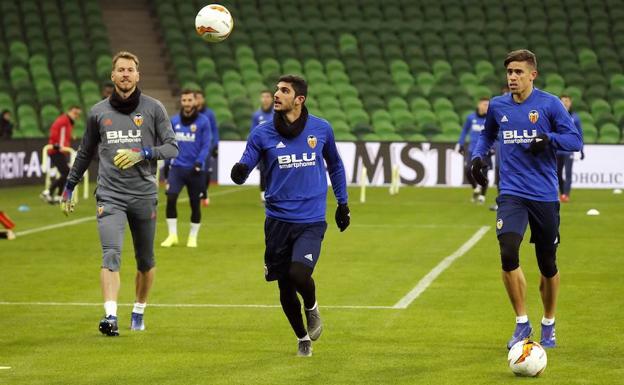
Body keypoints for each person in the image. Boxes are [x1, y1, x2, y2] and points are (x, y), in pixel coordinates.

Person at [231, 75, 350, 357]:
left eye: (284, 90)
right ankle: (301, 337)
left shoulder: (321, 129)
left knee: (299, 273)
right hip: (277, 222)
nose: (276, 94)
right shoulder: (261, 133)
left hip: (310, 220)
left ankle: (312, 306)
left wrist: (342, 203)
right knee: (284, 285)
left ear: (299, 99)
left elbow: (335, 164)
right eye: (276, 89)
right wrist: (239, 171)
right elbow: (248, 161)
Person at [60, 51, 178, 336]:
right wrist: (69, 186)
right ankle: (110, 315)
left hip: (143, 195)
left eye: (130, 70)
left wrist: (143, 153)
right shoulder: (98, 112)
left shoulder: (154, 109)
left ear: (138, 75)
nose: (125, 74)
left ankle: (138, 309)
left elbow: (173, 148)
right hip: (110, 195)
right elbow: (85, 152)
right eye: (120, 70)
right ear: (113, 76)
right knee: (110, 254)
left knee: (145, 261)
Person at [471, 50, 582, 350]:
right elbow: (487, 136)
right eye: (509, 72)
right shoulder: (497, 105)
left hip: (544, 194)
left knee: (547, 264)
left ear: (533, 74)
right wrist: (478, 157)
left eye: (519, 72)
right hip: (511, 192)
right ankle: (522, 323)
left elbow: (575, 140)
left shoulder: (549, 104)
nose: (512, 77)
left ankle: (548, 322)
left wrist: (549, 139)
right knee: (508, 250)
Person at [160, 90, 211, 248]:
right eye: (184, 100)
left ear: (195, 102)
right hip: (177, 168)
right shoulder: (174, 121)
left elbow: (206, 144)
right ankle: (172, 235)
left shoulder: (203, 121)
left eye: (190, 100)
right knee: (171, 198)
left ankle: (192, 237)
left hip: (195, 170)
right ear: (181, 102)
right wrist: (167, 164)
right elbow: (170, 143)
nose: (187, 103)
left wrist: (199, 162)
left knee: (195, 204)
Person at [40, 106, 82, 204]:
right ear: (69, 111)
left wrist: (71, 137)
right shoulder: (64, 120)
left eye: (78, 114)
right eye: (75, 113)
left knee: (65, 173)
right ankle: (48, 191)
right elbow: (55, 131)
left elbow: (63, 134)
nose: (76, 115)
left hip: (61, 151)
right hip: (56, 151)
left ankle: (57, 196)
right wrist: (57, 145)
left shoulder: (69, 123)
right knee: (67, 173)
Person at [456, 97, 490, 204]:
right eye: (485, 105)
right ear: (479, 105)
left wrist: (492, 148)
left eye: (488, 105)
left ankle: (482, 197)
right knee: (467, 170)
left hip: (485, 151)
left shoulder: (490, 119)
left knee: (484, 173)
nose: (486, 107)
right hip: (472, 150)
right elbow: (464, 131)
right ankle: (476, 188)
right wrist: (460, 144)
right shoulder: (471, 117)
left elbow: (495, 134)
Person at [556, 94, 585, 202]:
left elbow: (580, 134)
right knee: (557, 173)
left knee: (568, 173)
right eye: (562, 101)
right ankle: (562, 192)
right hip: (557, 150)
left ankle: (566, 195)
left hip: (569, 150)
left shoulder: (575, 118)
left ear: (570, 103)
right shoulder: (555, 116)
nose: (565, 103)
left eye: (566, 101)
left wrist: (582, 150)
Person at [194, 90, 218, 206]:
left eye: (199, 98)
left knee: (206, 171)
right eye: (196, 98)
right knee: (196, 170)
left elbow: (214, 129)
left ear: (203, 99)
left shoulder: (209, 114)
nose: (197, 100)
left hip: (207, 146)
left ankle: (204, 192)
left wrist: (215, 145)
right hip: (194, 147)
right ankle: (198, 193)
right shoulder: (190, 114)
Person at [250, 90, 274, 202]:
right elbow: (253, 132)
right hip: (262, 149)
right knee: (263, 171)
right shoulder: (257, 115)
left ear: (272, 98)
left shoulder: (277, 113)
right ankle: (263, 195)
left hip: (275, 147)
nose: (265, 99)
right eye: (263, 97)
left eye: (267, 96)